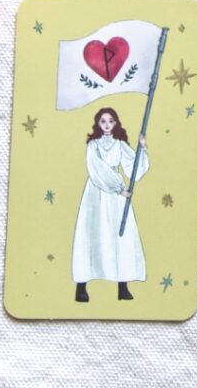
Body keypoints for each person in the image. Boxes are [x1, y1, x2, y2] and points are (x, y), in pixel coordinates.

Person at [71, 107, 148, 302]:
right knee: (92, 235)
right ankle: (82, 287)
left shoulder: (120, 144)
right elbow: (96, 169)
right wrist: (118, 188)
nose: (107, 125)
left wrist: (142, 148)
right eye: (103, 121)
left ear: (116, 123)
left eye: (110, 121)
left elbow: (134, 167)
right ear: (98, 123)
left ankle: (123, 287)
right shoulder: (93, 145)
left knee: (120, 236)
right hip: (97, 193)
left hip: (116, 198)